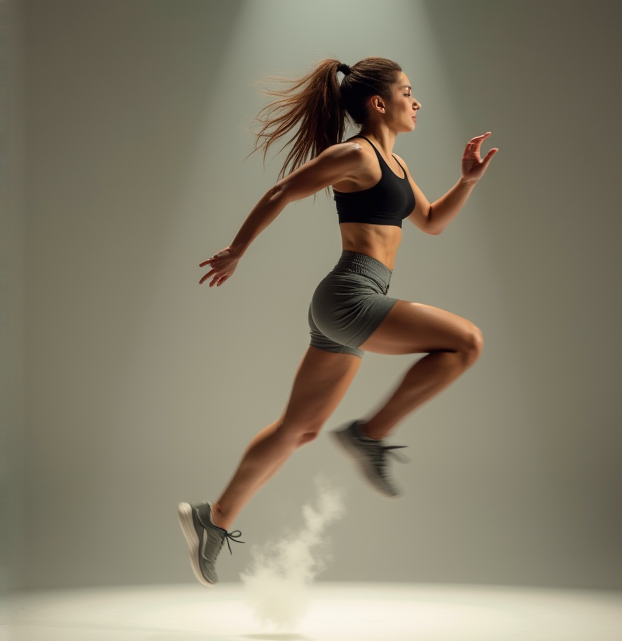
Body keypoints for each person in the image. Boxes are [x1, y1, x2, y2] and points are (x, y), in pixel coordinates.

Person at [178, 57, 498, 587]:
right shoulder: (355, 154)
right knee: (466, 342)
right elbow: (283, 191)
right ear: (379, 103)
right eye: (407, 92)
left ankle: (213, 520)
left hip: (348, 303)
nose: (416, 102)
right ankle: (371, 434)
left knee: (298, 430)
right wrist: (236, 250)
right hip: (350, 297)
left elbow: (434, 222)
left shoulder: (397, 167)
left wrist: (465, 181)